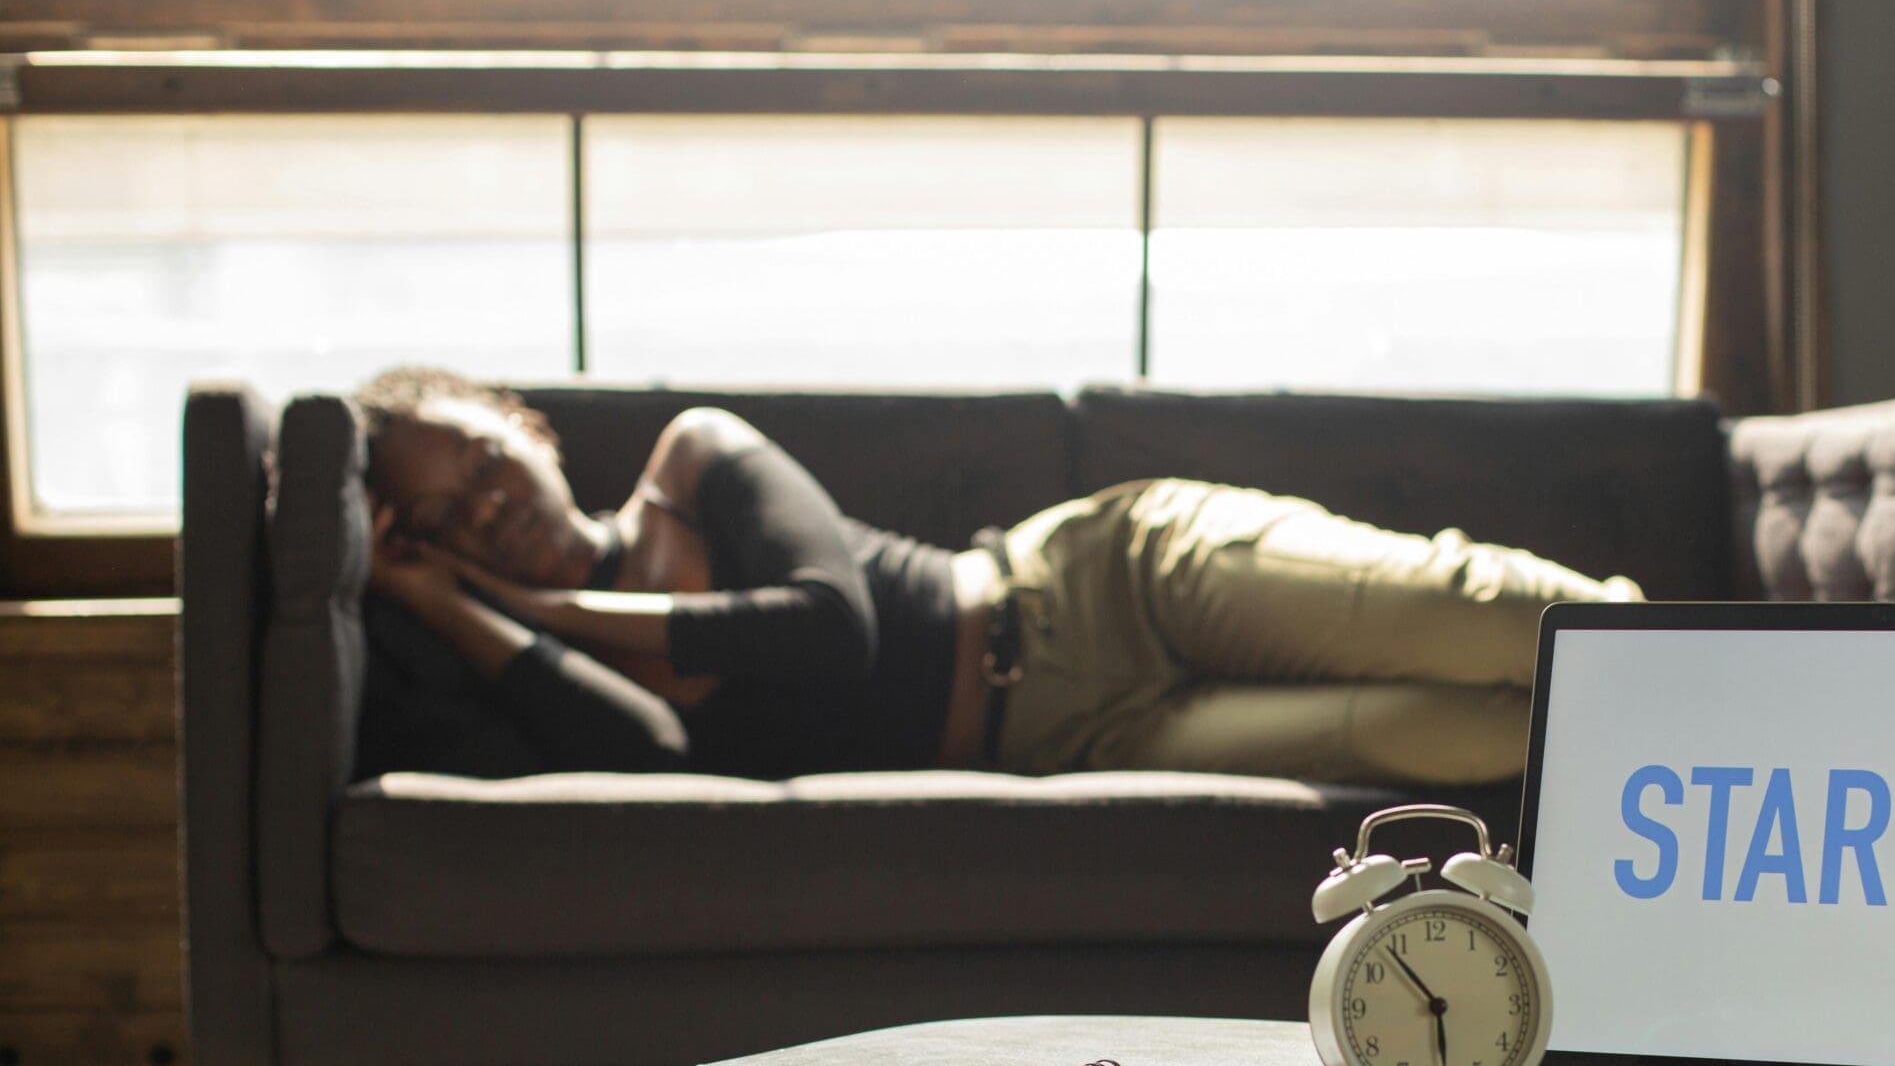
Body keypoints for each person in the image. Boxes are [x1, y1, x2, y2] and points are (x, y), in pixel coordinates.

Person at [356, 366, 1643, 787]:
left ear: (522, 430)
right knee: (1466, 738)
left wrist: (537, 606)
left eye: (478, 462)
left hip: (1106, 581)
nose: (483, 506)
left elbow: (828, 630)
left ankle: (1765, 677)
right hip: (1084, 732)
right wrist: (444, 609)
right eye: (439, 517)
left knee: (1494, 622)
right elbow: (654, 758)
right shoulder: (548, 670)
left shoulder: (692, 458)